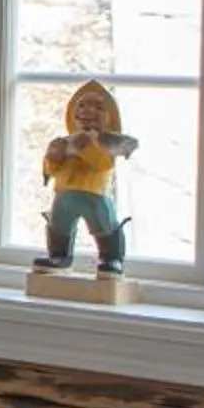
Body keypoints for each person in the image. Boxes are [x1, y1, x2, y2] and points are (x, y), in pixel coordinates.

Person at [37, 79, 138, 274]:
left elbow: (103, 164)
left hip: (93, 194)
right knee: (60, 225)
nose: (88, 112)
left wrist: (86, 146)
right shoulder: (65, 141)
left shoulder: (105, 143)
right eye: (81, 106)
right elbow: (52, 170)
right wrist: (52, 158)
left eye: (98, 107)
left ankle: (111, 258)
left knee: (104, 224)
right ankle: (59, 256)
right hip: (64, 194)